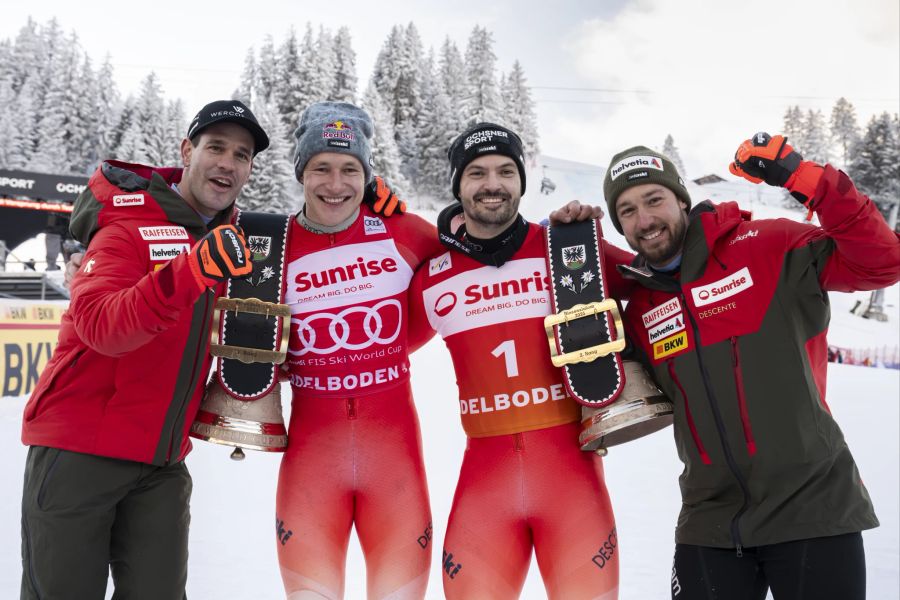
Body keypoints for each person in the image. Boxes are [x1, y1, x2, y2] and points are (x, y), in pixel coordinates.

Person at [601, 134, 900, 600]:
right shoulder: (640, 306)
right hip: (709, 521)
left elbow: (882, 264)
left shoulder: (767, 246)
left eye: (654, 199)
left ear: (681, 199)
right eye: (627, 211)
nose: (645, 220)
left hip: (811, 506)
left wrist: (808, 181)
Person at [20, 99, 269, 600]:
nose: (227, 162)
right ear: (186, 151)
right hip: (80, 453)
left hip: (161, 464)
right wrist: (190, 270)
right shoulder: (125, 230)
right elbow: (101, 326)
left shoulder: (234, 241)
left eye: (241, 155)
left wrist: (367, 194)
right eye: (215, 147)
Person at [408, 122, 635, 600]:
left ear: (521, 180)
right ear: (457, 184)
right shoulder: (431, 276)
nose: (493, 183)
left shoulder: (569, 247)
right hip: (484, 491)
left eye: (505, 171)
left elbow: (660, 279)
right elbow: (374, 350)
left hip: (573, 488)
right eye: (477, 173)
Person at [276, 101, 441, 600]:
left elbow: (480, 253)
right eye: (320, 168)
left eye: (351, 169)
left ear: (368, 177)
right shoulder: (272, 245)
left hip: (395, 470)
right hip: (310, 468)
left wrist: (569, 229)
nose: (335, 183)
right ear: (301, 173)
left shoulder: (405, 232)